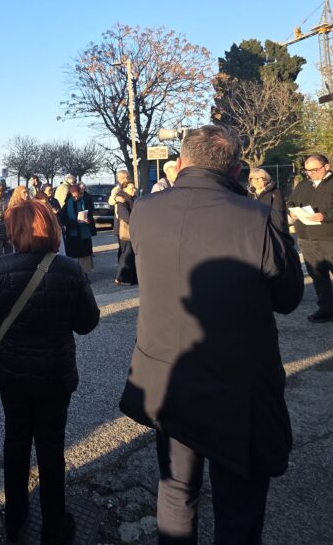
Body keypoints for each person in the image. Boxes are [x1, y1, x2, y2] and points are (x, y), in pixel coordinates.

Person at [120, 125, 304, 545]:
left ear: (181, 162)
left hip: (167, 376)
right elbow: (288, 297)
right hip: (236, 388)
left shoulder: (144, 210)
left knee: (175, 490)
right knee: (238, 504)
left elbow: (138, 272)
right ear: (236, 169)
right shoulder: (256, 217)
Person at [0, 200, 100, 544]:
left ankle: (15, 519)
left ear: (14, 232)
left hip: (13, 372)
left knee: (15, 441)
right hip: (55, 372)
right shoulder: (70, 270)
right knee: (51, 446)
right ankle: (54, 526)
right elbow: (87, 322)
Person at [287, 154, 333, 330]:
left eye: (314, 169)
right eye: (307, 170)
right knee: (318, 277)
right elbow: (291, 202)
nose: (310, 173)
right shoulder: (303, 185)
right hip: (307, 238)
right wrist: (292, 212)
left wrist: (324, 216)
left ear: (326, 166)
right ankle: (326, 310)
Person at [61, 185, 95, 274]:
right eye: (74, 196)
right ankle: (75, 274)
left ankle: (85, 273)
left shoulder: (85, 201)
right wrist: (75, 222)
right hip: (72, 234)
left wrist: (88, 220)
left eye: (78, 195)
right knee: (73, 256)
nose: (76, 197)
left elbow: (90, 214)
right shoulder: (66, 205)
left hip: (84, 234)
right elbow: (63, 219)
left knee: (85, 255)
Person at [114, 181, 138, 285]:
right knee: (126, 255)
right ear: (125, 189)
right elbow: (125, 216)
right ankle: (121, 278)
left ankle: (131, 278)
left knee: (131, 255)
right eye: (131, 188)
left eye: (134, 188)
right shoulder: (122, 201)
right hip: (125, 232)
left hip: (133, 230)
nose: (134, 190)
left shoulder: (134, 198)